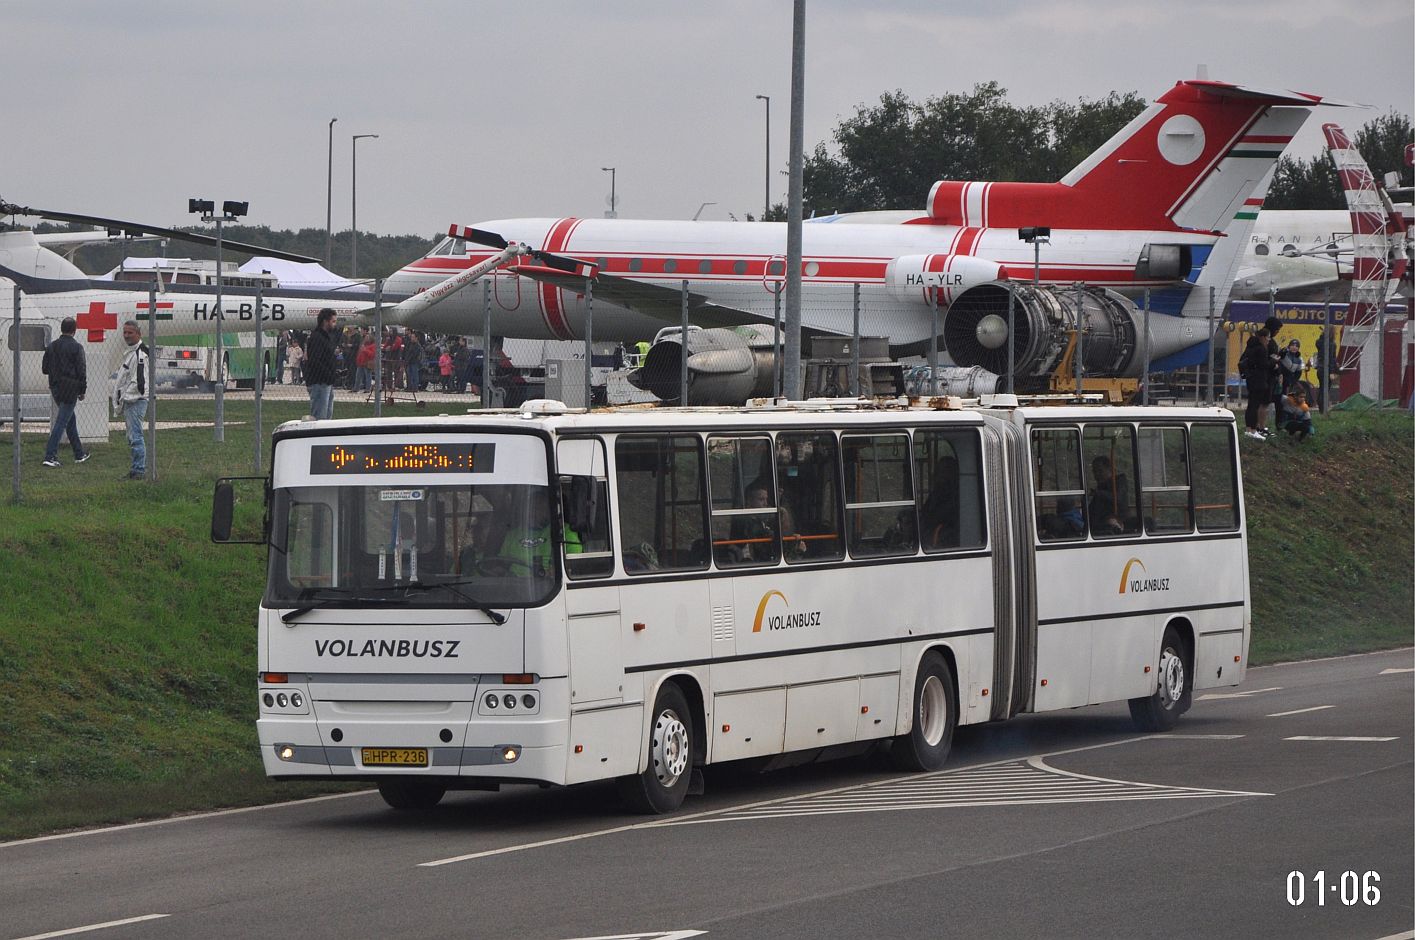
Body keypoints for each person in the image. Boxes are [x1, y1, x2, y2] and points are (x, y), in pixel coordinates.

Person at [39, 316, 90, 468]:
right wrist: (82, 390)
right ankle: (50, 455)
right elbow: (81, 370)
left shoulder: (52, 346)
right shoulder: (77, 347)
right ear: (75, 330)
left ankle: (79, 453)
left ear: (61, 329)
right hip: (71, 387)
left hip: (55, 387)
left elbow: (45, 369)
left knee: (69, 420)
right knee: (62, 422)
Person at [111, 320, 151, 479]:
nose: (126, 335)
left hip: (136, 400)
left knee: (135, 436)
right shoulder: (132, 352)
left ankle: (138, 470)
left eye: (130, 333)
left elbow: (140, 383)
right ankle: (137, 469)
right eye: (125, 332)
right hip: (131, 400)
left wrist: (125, 397)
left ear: (138, 334)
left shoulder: (140, 354)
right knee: (132, 436)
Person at [1239, 327, 1275, 439]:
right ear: (1263, 337)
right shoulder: (1261, 349)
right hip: (1259, 379)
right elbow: (1264, 365)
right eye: (1268, 337)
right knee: (1255, 405)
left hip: (1251, 379)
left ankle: (1248, 429)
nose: (1269, 340)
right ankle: (1253, 430)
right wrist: (1274, 361)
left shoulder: (1250, 347)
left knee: (1251, 405)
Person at [918, 456, 960, 549]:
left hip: (943, 536)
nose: (939, 475)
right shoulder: (937, 492)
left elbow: (938, 515)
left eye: (945, 471)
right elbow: (926, 511)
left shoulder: (955, 495)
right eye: (939, 470)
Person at [304, 308, 339, 419]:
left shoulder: (326, 337)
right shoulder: (317, 337)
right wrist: (328, 374)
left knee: (327, 416)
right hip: (319, 382)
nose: (335, 324)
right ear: (325, 321)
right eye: (333, 321)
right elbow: (315, 360)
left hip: (326, 382)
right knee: (320, 416)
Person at [1088, 454, 1132, 535]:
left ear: (1110, 469)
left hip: (1117, 520)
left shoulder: (1119, 482)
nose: (1096, 475)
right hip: (1098, 524)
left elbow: (1118, 499)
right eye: (1094, 472)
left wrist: (1098, 493)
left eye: (1100, 471)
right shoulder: (1101, 487)